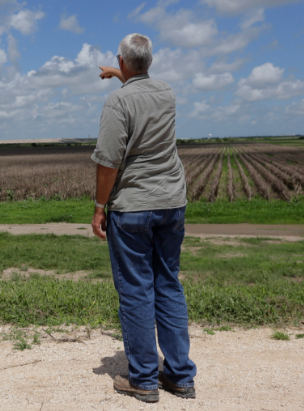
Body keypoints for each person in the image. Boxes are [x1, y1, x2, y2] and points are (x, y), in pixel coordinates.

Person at [91, 33, 197, 403]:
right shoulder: (166, 92)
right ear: (149, 62)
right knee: (168, 283)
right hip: (172, 201)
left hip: (133, 205)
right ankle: (181, 377)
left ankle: (144, 381)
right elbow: (142, 88)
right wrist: (121, 73)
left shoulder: (116, 103)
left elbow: (108, 160)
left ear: (122, 62)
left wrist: (99, 207)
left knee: (136, 290)